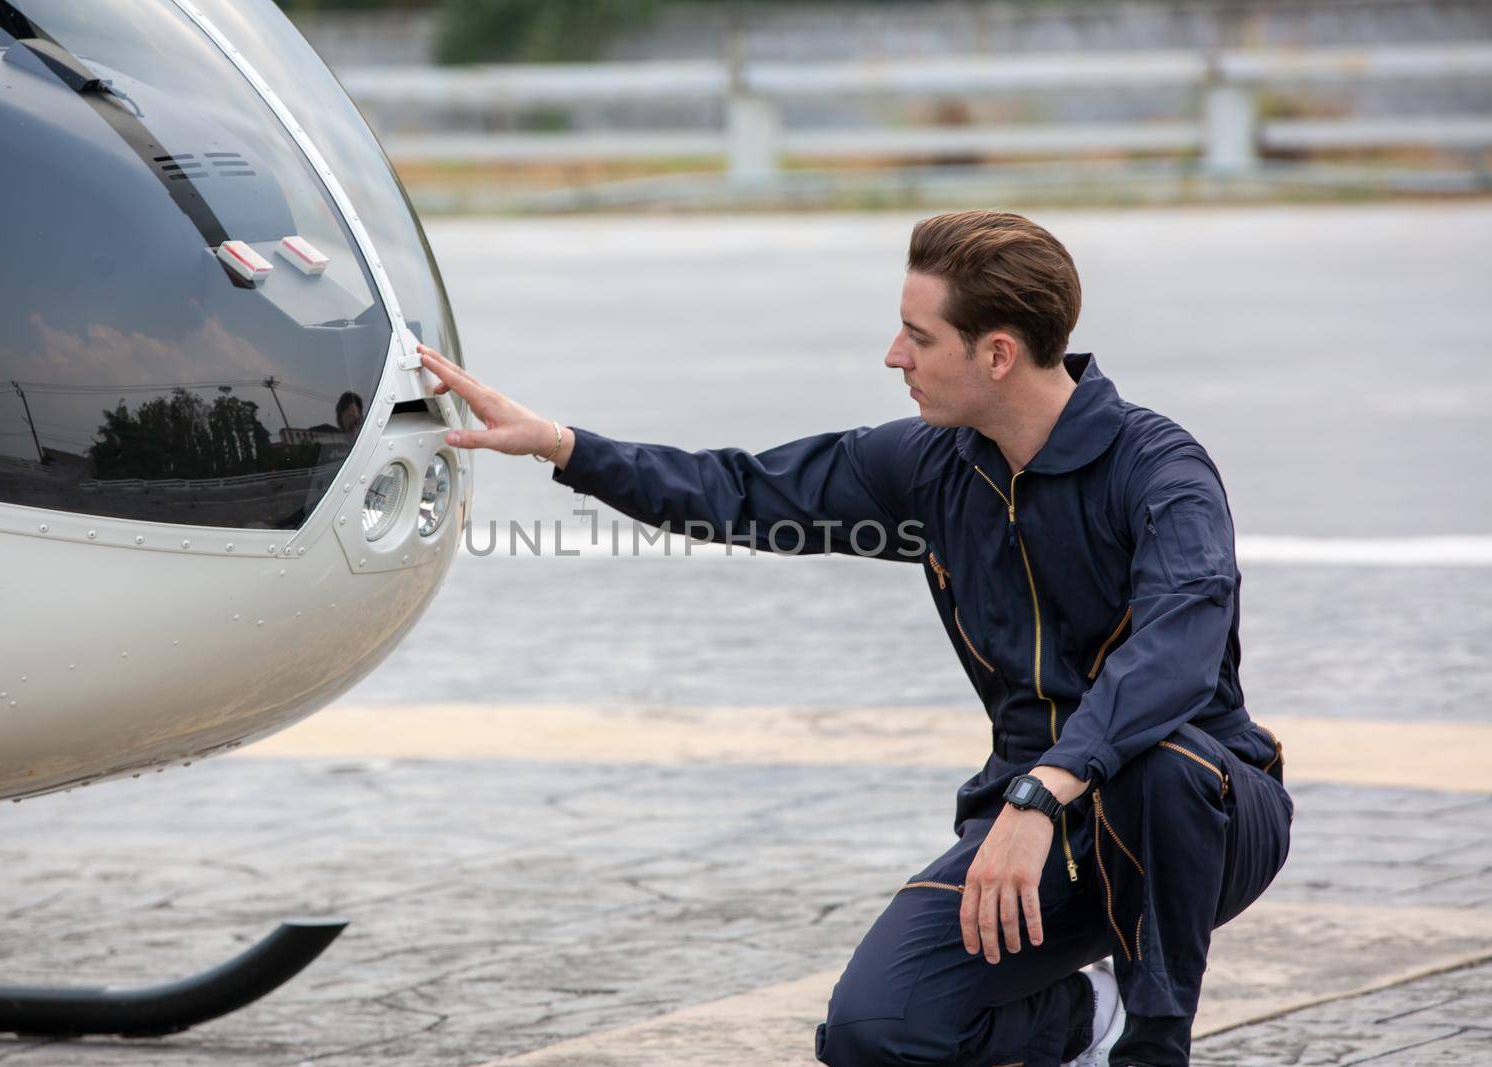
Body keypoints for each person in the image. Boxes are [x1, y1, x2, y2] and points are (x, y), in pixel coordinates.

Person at [416, 210, 1293, 1067]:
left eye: (918, 335)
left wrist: (1040, 792)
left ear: (997, 353)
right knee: (875, 1033)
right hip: (1044, 827)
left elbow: (1178, 646)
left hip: (1206, 818)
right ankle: (1082, 1014)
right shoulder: (934, 464)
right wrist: (562, 446)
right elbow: (745, 493)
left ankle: (1153, 1038)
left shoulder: (1160, 469)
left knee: (1159, 762)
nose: (894, 356)